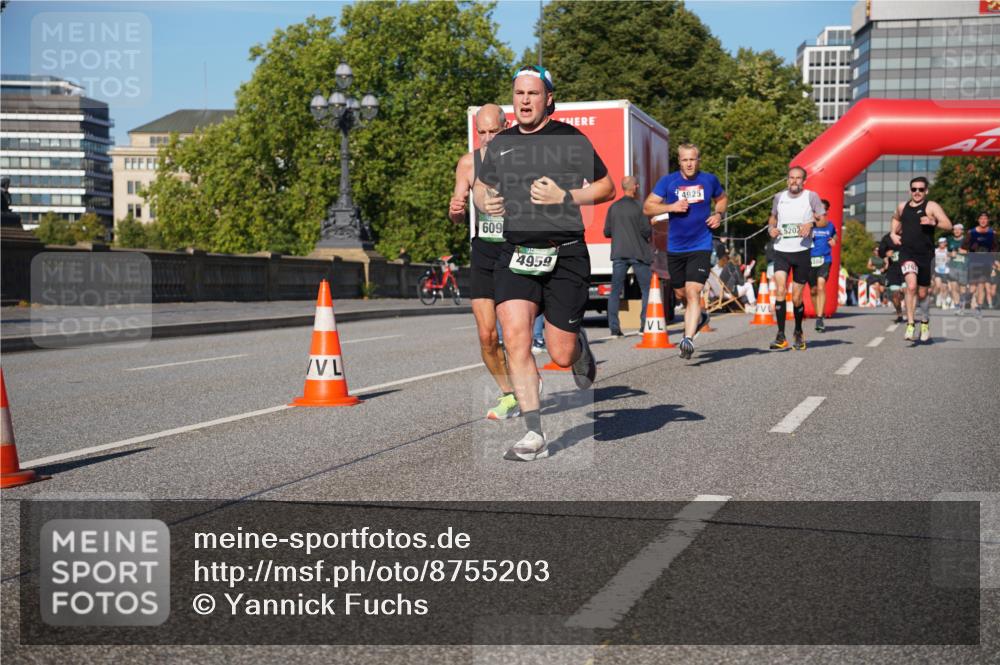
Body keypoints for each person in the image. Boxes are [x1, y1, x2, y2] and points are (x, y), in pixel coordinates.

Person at [473, 65, 615, 462]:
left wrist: (566, 197)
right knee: (515, 338)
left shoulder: (570, 139)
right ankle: (533, 433)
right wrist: (486, 202)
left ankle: (579, 348)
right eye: (518, 94)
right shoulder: (500, 144)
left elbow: (607, 187)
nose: (524, 100)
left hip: (565, 252)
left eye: (532, 94)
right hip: (515, 252)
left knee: (560, 354)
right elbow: (481, 188)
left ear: (548, 98)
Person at [448, 103, 520, 420]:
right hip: (484, 250)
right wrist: (456, 211)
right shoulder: (467, 164)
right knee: (487, 336)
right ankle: (510, 395)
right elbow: (458, 215)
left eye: (494, 131)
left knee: (517, 332)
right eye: (482, 132)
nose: (488, 138)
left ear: (506, 128)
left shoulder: (522, 159)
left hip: (517, 248)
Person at [642, 143, 726, 359]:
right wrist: (671, 207)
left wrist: (718, 215)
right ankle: (700, 318)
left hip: (701, 245)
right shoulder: (668, 182)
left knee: (693, 292)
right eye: (685, 160)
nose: (689, 163)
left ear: (698, 160)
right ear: (679, 161)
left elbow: (722, 199)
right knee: (680, 293)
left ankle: (687, 339)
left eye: (693, 159)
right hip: (676, 247)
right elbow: (648, 207)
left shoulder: (709, 180)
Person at [766, 166, 824, 350]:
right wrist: (771, 229)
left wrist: (811, 223)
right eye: (791, 178)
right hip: (781, 250)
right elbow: (772, 218)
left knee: (797, 298)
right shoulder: (779, 197)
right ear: (787, 180)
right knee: (780, 290)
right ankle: (780, 335)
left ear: (803, 181)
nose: (794, 181)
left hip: (802, 252)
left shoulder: (811, 197)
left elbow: (824, 220)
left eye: (798, 178)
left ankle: (798, 331)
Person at [889, 176, 952, 342]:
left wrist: (933, 221)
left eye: (921, 189)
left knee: (923, 293)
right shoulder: (902, 207)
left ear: (926, 191)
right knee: (911, 286)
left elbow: (948, 224)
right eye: (914, 189)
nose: (917, 192)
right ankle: (910, 324)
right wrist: (893, 233)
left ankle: (924, 322)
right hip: (907, 253)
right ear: (910, 190)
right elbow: (895, 218)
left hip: (925, 254)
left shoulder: (931, 206)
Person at [604, 176, 652, 336]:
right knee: (646, 290)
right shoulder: (640, 207)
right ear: (635, 187)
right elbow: (647, 231)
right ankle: (644, 325)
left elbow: (607, 232)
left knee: (615, 291)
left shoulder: (614, 207)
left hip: (619, 253)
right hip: (639, 253)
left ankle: (614, 328)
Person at [808, 198, 837, 332]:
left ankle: (820, 318)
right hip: (809, 260)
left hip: (825, 259)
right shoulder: (809, 224)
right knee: (813, 290)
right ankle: (818, 314)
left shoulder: (830, 226)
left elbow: (834, 236)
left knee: (821, 285)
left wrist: (833, 241)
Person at [964, 211, 997, 316]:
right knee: (973, 288)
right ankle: (963, 302)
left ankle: (979, 308)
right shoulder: (971, 233)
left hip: (986, 263)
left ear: (988, 220)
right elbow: (962, 249)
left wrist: (994, 263)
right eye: (981, 218)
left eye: (985, 218)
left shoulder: (993, 233)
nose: (983, 220)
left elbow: (995, 250)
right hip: (974, 263)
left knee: (981, 285)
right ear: (978, 220)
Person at [879, 232, 904, 322]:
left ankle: (910, 315)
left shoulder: (909, 234)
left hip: (906, 269)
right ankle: (899, 314)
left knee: (906, 291)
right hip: (893, 271)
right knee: (895, 295)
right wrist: (886, 253)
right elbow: (881, 251)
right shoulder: (888, 238)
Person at [946, 224, 968, 311]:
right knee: (953, 287)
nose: (957, 231)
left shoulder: (966, 240)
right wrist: (951, 254)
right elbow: (947, 252)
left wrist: (965, 251)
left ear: (962, 231)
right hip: (953, 267)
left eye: (959, 229)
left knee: (962, 288)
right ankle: (957, 305)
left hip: (963, 267)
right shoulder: (950, 240)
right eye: (955, 230)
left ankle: (962, 303)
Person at [933, 236, 950, 308]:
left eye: (943, 242)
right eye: (940, 243)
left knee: (945, 287)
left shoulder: (948, 251)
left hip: (946, 271)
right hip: (937, 270)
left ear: (946, 243)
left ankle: (943, 301)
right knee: (938, 286)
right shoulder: (935, 251)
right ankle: (938, 296)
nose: (942, 244)